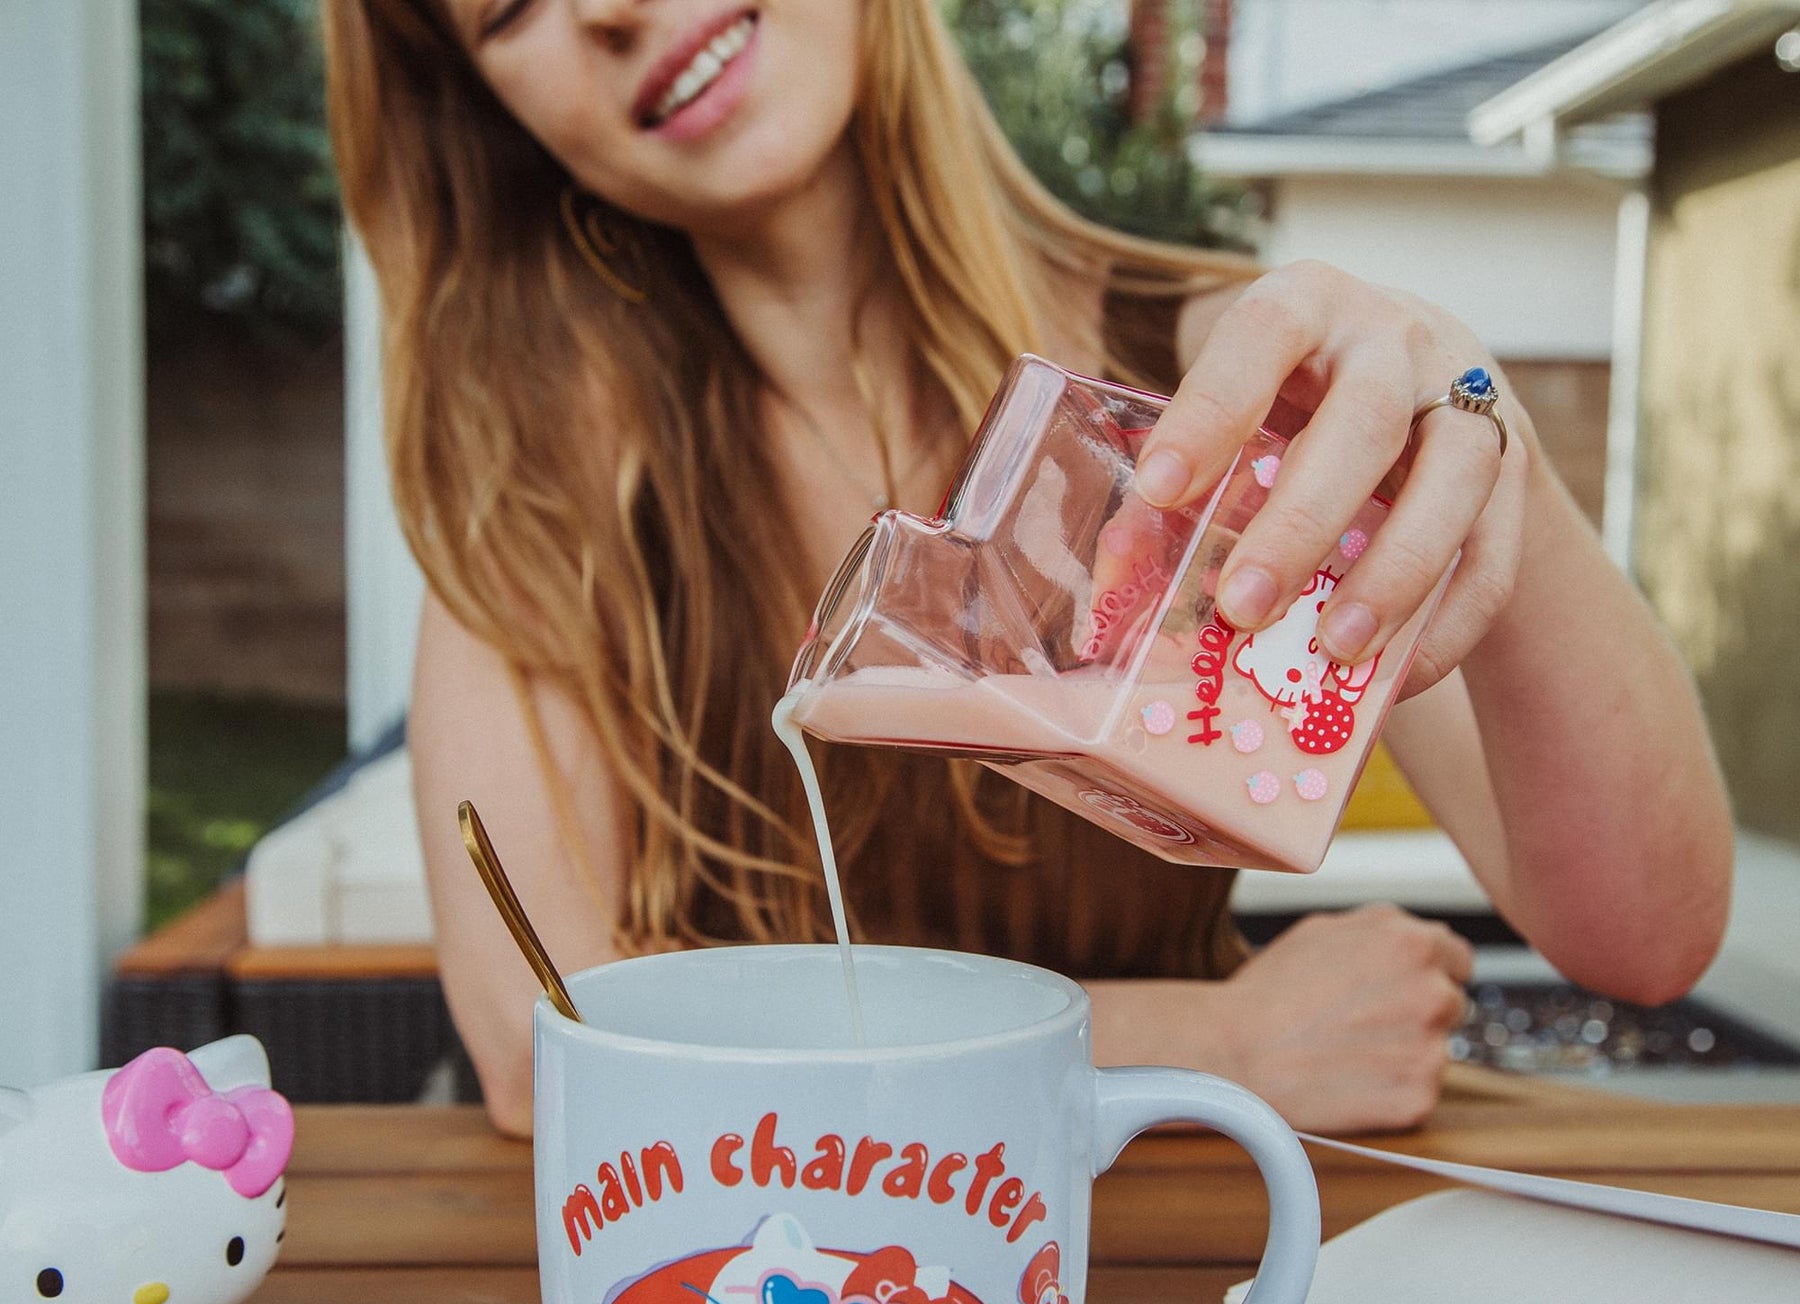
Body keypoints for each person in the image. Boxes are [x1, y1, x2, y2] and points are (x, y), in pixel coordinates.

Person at [323, 0, 1733, 1139]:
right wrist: (1216, 1041)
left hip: (1206, 1267)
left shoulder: (1218, 388)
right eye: (511, 9)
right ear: (486, 113)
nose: (615, 8)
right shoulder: (539, 492)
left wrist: (1496, 454)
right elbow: (538, 1039)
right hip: (763, 1273)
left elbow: (1643, 934)